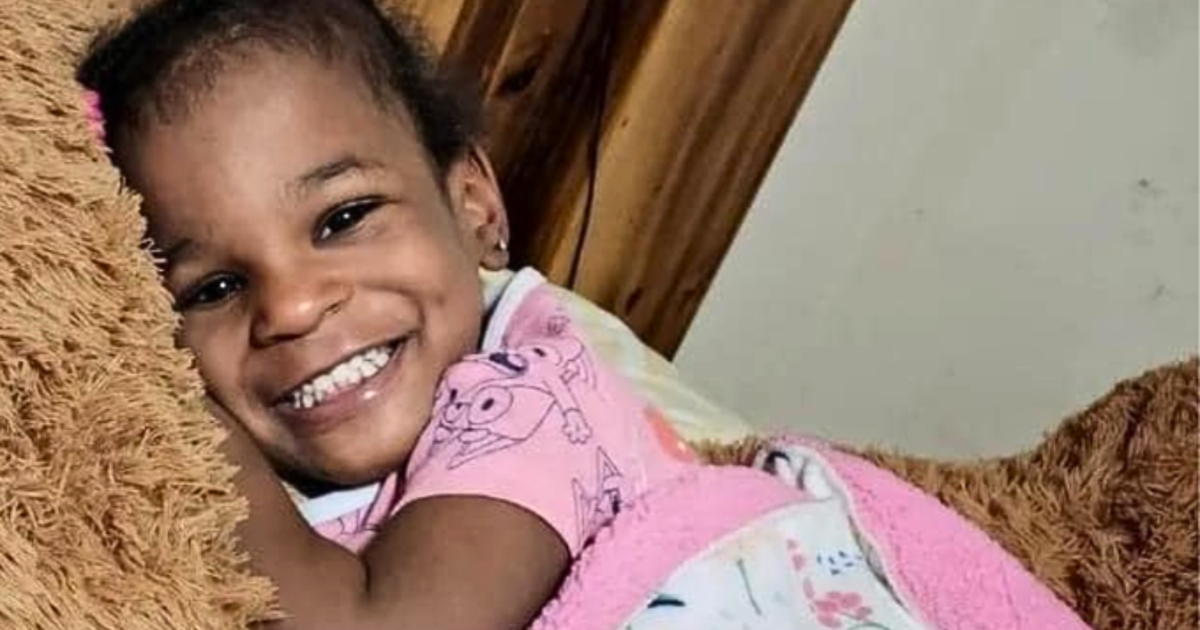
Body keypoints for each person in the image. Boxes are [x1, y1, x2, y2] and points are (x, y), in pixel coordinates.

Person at [78, 0, 696, 628]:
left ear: (473, 206)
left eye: (343, 219)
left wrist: (178, 424)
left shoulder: (537, 403)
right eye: (215, 288)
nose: (292, 307)